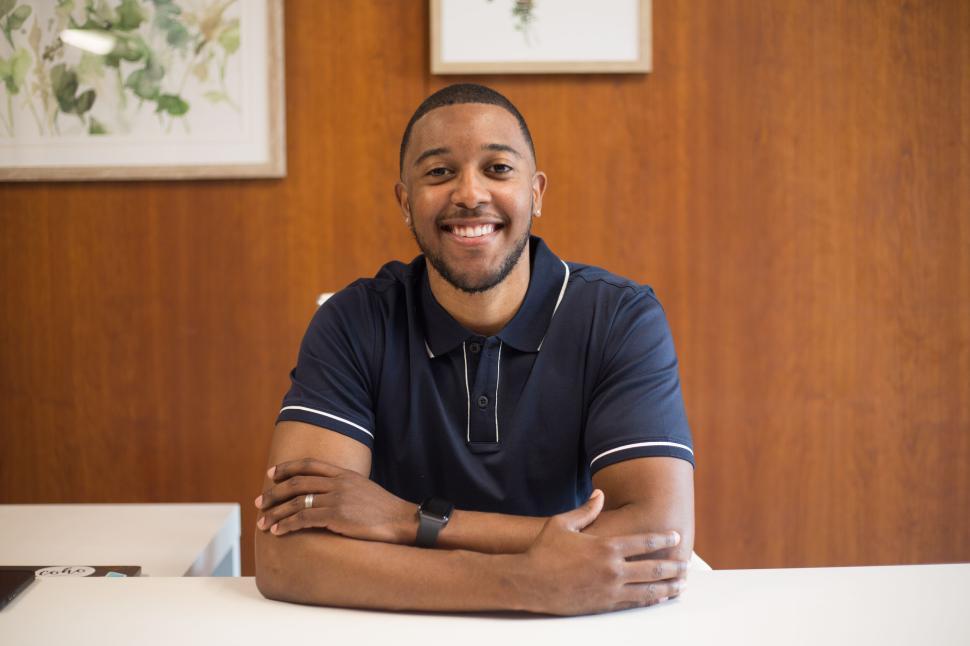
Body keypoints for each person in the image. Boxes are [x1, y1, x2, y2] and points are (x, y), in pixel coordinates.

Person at [254, 83, 695, 616]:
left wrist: (407, 520)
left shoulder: (620, 317)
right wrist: (519, 582)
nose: (469, 193)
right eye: (439, 172)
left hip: (576, 627)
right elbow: (287, 555)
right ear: (405, 202)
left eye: (498, 169)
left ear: (536, 192)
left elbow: (659, 536)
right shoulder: (354, 320)